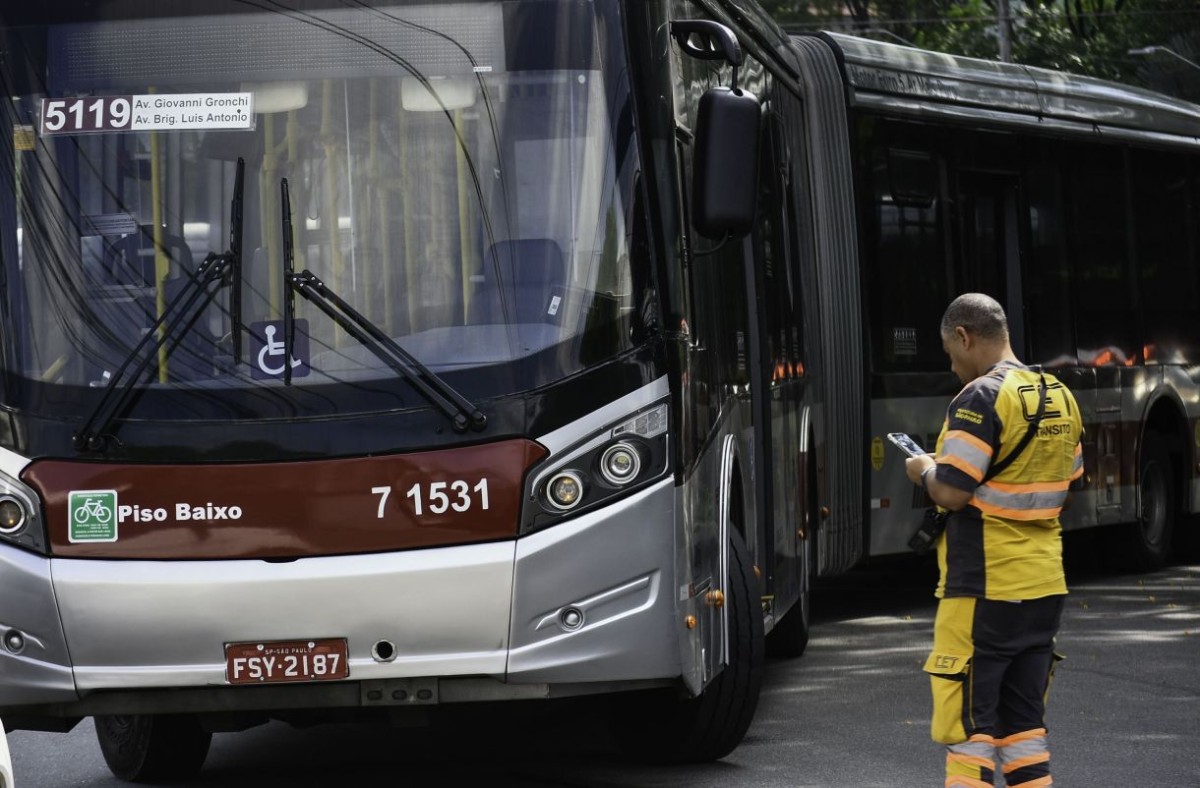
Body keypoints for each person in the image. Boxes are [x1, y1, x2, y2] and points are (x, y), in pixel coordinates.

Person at [904, 293, 1083, 788]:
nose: (952, 363)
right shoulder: (1059, 395)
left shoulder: (980, 397)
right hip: (1045, 586)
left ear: (964, 336)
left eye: (949, 351)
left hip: (984, 588)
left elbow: (953, 492)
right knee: (1024, 730)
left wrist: (923, 470)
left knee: (969, 732)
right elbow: (1069, 485)